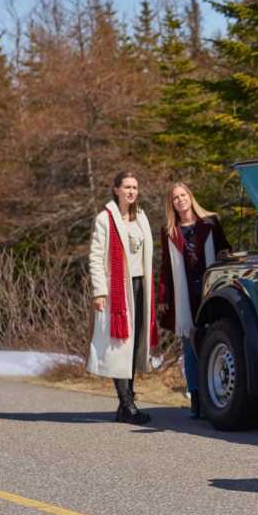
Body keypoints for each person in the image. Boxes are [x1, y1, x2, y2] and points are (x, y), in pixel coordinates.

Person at [87, 171, 158, 424]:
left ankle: (126, 404)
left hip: (140, 286)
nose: (131, 191)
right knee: (120, 346)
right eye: (127, 187)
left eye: (135, 187)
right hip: (117, 290)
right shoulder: (105, 219)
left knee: (134, 344)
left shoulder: (141, 217)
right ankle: (127, 404)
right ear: (116, 189)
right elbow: (95, 257)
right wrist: (99, 291)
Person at [157, 182, 231, 418]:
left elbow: (225, 249)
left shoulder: (210, 223)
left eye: (183, 195)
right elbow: (166, 267)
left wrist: (225, 255)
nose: (180, 200)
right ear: (172, 204)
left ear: (191, 196)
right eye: (175, 198)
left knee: (211, 341)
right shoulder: (169, 231)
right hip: (184, 292)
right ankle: (197, 399)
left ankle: (214, 397)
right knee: (190, 346)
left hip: (210, 290)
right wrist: (163, 297)